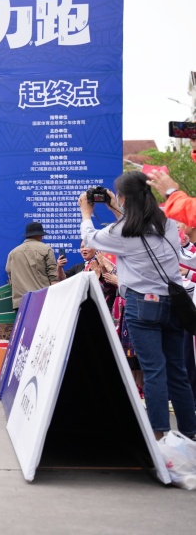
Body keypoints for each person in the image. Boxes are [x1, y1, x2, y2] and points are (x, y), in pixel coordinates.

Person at [82, 171, 196, 440]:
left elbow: (90, 237)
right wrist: (116, 207)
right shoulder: (167, 220)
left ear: (123, 197)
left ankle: (159, 438)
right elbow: (138, 220)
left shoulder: (121, 231)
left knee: (153, 372)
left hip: (141, 305)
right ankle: (190, 434)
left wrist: (87, 212)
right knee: (177, 372)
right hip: (173, 304)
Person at [5, 222, 60, 312]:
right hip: (42, 299)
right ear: (39, 235)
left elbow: (10, 275)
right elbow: (53, 275)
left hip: (21, 302)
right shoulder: (46, 249)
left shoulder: (13, 253)